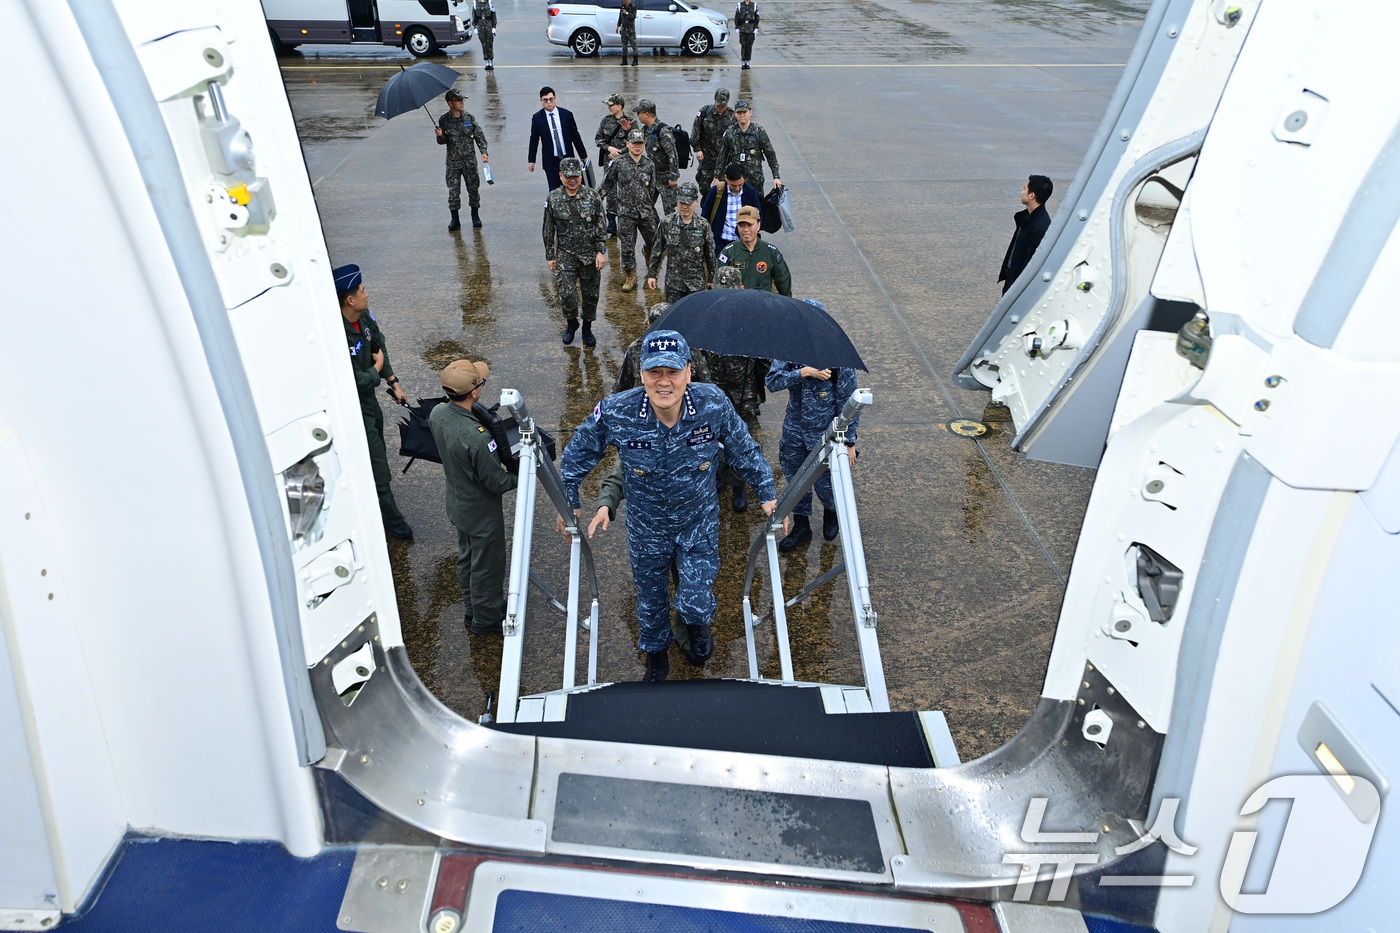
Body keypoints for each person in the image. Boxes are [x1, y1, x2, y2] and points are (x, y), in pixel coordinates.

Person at [560, 330, 782, 682]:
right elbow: (576, 455)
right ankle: (656, 655)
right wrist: (568, 500)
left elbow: (744, 449)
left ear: (689, 372)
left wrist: (768, 494)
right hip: (647, 528)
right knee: (650, 601)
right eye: (654, 373)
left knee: (695, 601)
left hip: (698, 523)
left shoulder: (712, 403)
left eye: (672, 372)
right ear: (642, 374)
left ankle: (694, 625)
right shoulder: (619, 411)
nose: (664, 383)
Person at [428, 359, 519, 634]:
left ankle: (473, 609)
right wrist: (522, 476)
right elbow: (496, 481)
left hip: (457, 502)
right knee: (488, 565)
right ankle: (485, 618)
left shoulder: (438, 413)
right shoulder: (478, 437)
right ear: (475, 392)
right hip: (481, 511)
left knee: (467, 558)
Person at [334, 264, 412, 539]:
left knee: (372, 452)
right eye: (362, 290)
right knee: (377, 462)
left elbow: (379, 347)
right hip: (353, 408)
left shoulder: (365, 317)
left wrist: (394, 383)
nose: (367, 293)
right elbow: (356, 381)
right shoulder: (336, 334)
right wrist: (377, 370)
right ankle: (390, 518)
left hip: (370, 404)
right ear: (350, 300)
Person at [766, 345, 860, 552]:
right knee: (795, 479)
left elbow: (849, 404)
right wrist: (803, 372)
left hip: (826, 432)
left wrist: (849, 442)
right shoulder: (790, 351)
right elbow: (772, 382)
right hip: (795, 430)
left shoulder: (839, 358)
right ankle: (801, 526)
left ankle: (831, 510)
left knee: (828, 481)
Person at [703, 259, 766, 511]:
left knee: (741, 438)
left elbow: (765, 358)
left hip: (744, 392)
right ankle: (720, 475)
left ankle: (739, 484)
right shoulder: (707, 317)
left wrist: (756, 383)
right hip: (715, 389)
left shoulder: (753, 320)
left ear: (740, 289)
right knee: (714, 437)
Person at [543, 157, 608, 346]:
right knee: (567, 295)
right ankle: (572, 323)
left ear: (581, 175)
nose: (573, 180)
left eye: (576, 176)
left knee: (591, 295)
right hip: (566, 255)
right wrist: (550, 256)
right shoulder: (553, 199)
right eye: (568, 177)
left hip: (589, 255)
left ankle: (587, 327)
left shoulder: (592, 196)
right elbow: (548, 229)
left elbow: (601, 226)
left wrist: (601, 251)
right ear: (561, 176)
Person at [598, 128, 658, 293]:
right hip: (625, 213)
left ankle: (649, 262)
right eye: (634, 144)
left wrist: (647, 205)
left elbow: (652, 190)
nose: (637, 147)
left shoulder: (649, 164)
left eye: (640, 144)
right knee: (627, 248)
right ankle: (630, 276)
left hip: (645, 213)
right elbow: (607, 184)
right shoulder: (619, 163)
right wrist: (596, 200)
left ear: (644, 145)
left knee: (655, 243)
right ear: (627, 144)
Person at [615, 302, 713, 393]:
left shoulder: (689, 348)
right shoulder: (636, 348)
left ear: (649, 325)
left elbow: (705, 384)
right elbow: (622, 385)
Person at [646, 181, 716, 303]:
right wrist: (652, 274)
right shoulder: (667, 223)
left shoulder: (703, 226)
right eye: (681, 203)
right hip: (674, 284)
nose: (684, 207)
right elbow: (657, 250)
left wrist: (711, 278)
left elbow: (710, 255)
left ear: (696, 202)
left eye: (688, 203)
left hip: (696, 284)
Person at [435, 89, 490, 231]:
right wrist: (440, 135)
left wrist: (483, 152)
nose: (461, 103)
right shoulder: (444, 120)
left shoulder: (469, 118)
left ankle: (475, 215)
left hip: (469, 161)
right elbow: (442, 141)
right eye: (458, 100)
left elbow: (479, 135)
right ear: (450, 103)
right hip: (453, 163)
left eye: (462, 100)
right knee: (453, 191)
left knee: (473, 189)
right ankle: (455, 219)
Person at [998, 174, 1054, 294]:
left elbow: (1030, 268)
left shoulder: (1039, 227)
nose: (1022, 192)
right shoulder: (1028, 218)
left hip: (1017, 289)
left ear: (1032, 195)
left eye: (1025, 189)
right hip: (1012, 281)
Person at [719, 205, 791, 295]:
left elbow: (784, 283)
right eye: (741, 225)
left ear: (758, 225)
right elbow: (719, 287)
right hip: (737, 304)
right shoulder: (728, 253)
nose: (745, 230)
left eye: (750, 225)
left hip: (763, 305)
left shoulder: (771, 252)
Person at [528, 87, 588, 192]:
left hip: (567, 158)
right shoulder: (537, 118)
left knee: (572, 188)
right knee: (554, 190)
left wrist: (583, 155)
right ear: (541, 101)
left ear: (555, 98)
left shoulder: (566, 115)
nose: (549, 102)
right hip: (551, 161)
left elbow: (575, 136)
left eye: (551, 99)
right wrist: (531, 160)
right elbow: (534, 140)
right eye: (545, 100)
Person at [714, 100, 781, 194]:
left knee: (756, 207)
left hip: (755, 181)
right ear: (735, 114)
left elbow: (770, 155)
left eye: (744, 112)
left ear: (750, 112)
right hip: (736, 182)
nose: (742, 115)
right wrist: (717, 177)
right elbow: (722, 156)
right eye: (739, 113)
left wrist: (776, 177)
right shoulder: (730, 132)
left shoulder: (758, 131)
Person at [700, 163, 761, 253]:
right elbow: (705, 216)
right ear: (726, 178)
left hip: (743, 243)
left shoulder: (750, 192)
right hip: (720, 243)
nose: (737, 188)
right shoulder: (716, 191)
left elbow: (758, 216)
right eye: (733, 185)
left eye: (740, 184)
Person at [595, 99, 635, 236]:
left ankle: (626, 220)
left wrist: (620, 151)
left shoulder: (631, 121)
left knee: (626, 189)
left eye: (611, 105)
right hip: (609, 161)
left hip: (625, 161)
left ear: (619, 106)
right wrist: (609, 148)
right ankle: (611, 222)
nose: (609, 108)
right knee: (610, 191)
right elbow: (598, 140)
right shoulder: (606, 120)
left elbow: (637, 142)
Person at [635, 99, 679, 216]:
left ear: (646, 114)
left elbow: (673, 155)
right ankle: (657, 230)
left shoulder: (663, 131)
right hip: (653, 176)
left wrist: (673, 177)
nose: (637, 115)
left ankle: (670, 232)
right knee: (646, 206)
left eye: (639, 113)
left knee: (670, 210)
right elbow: (636, 144)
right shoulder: (646, 130)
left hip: (666, 177)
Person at [691, 87, 738, 189]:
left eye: (723, 105)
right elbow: (695, 132)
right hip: (707, 156)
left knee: (722, 187)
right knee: (703, 185)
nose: (720, 107)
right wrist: (698, 149)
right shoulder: (704, 112)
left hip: (724, 159)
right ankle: (707, 203)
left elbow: (736, 137)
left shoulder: (732, 116)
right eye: (718, 104)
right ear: (714, 100)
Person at [471, 0, 497, 70]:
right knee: (484, 44)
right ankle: (486, 61)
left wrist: (494, 27)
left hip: (488, 24)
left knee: (490, 44)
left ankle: (491, 61)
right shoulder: (475, 3)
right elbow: (474, 15)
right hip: (480, 25)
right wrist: (475, 26)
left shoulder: (489, 2)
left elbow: (493, 14)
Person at [734, 0, 759, 69]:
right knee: (743, 45)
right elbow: (736, 17)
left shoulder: (754, 5)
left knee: (749, 46)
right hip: (742, 28)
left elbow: (757, 17)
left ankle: (748, 61)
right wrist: (737, 27)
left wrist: (756, 27)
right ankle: (743, 61)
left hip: (751, 29)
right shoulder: (740, 5)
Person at [617, 0, 639, 65]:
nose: (626, 1)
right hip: (624, 29)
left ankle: (635, 60)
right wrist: (618, 26)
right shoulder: (622, 7)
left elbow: (633, 17)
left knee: (633, 44)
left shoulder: (633, 7)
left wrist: (626, 13)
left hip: (630, 30)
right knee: (624, 45)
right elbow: (620, 17)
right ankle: (624, 60)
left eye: (627, 0)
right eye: (625, 0)